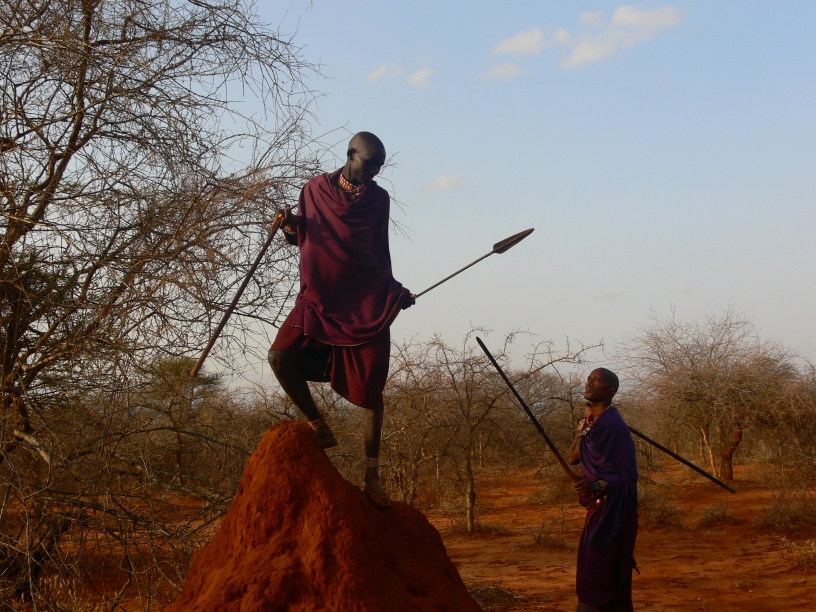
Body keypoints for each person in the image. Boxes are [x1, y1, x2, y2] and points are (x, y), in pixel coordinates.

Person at [268, 132, 414, 509]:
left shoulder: (378, 199)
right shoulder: (314, 190)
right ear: (351, 154)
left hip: (364, 299)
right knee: (279, 357)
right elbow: (303, 238)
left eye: (379, 166)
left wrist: (394, 292)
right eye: (369, 163)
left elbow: (376, 252)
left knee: (372, 387)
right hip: (319, 296)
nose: (374, 171)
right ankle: (319, 427)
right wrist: (289, 224)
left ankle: (372, 475)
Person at [568, 368, 638, 612]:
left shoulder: (614, 426)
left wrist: (595, 485)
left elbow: (627, 478)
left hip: (613, 514)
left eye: (596, 380)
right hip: (596, 512)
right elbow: (573, 458)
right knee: (598, 579)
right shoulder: (590, 423)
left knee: (595, 578)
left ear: (611, 390)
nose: (589, 383)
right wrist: (583, 427)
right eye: (589, 379)